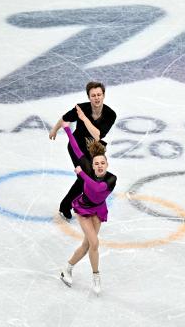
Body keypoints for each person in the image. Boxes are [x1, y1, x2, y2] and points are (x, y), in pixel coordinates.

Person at [59, 113, 116, 294]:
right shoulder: (87, 165)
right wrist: (67, 129)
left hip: (99, 210)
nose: (99, 166)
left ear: (107, 164)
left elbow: (98, 189)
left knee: (87, 246)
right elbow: (76, 148)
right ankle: (96, 277)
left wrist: (81, 174)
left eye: (102, 163)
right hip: (83, 209)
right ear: (92, 163)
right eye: (96, 163)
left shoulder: (112, 179)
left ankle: (67, 268)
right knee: (94, 242)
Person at [49, 81, 117, 221]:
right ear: (89, 97)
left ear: (103, 95)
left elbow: (97, 135)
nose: (97, 98)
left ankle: (79, 203)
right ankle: (66, 206)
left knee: (93, 178)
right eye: (93, 95)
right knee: (83, 178)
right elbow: (64, 118)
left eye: (99, 94)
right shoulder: (81, 108)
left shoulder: (110, 114)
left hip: (93, 148)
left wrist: (84, 118)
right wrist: (54, 129)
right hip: (77, 146)